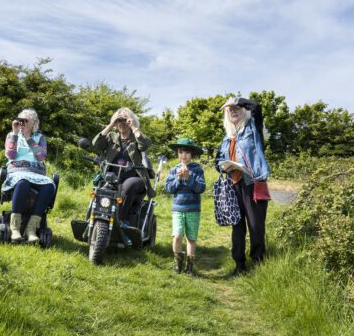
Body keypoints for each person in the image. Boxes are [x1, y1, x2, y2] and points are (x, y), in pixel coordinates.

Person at [215, 97, 270, 276]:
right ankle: (239, 266)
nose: (233, 111)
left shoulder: (254, 129)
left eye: (236, 108)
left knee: (256, 226)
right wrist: (223, 165)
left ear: (243, 110)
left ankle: (258, 265)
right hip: (234, 185)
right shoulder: (226, 137)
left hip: (253, 183)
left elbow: (257, 107)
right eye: (229, 109)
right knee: (237, 227)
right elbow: (217, 162)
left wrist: (236, 100)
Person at [92, 107, 155, 228]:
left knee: (128, 186)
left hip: (135, 177)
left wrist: (134, 128)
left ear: (131, 121)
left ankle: (120, 220)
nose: (122, 123)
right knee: (103, 187)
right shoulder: (111, 137)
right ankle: (96, 217)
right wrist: (111, 124)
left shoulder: (135, 138)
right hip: (112, 176)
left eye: (125, 120)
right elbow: (96, 144)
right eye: (119, 120)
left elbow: (146, 145)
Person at [3, 108, 55, 243]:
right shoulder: (11, 135)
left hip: (37, 172)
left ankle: (31, 228)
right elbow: (10, 155)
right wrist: (15, 134)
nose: (23, 123)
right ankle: (15, 228)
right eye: (21, 120)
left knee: (49, 186)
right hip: (17, 171)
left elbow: (40, 157)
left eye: (26, 121)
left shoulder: (39, 138)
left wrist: (28, 137)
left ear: (34, 123)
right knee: (23, 182)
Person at [164, 138, 206, 276]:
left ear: (191, 154)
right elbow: (169, 189)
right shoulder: (174, 169)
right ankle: (177, 263)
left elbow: (200, 188)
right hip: (178, 208)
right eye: (181, 152)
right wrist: (179, 179)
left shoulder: (197, 169)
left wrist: (189, 178)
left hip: (193, 209)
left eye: (187, 152)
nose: (184, 155)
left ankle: (189, 266)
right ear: (177, 154)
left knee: (191, 238)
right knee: (177, 236)